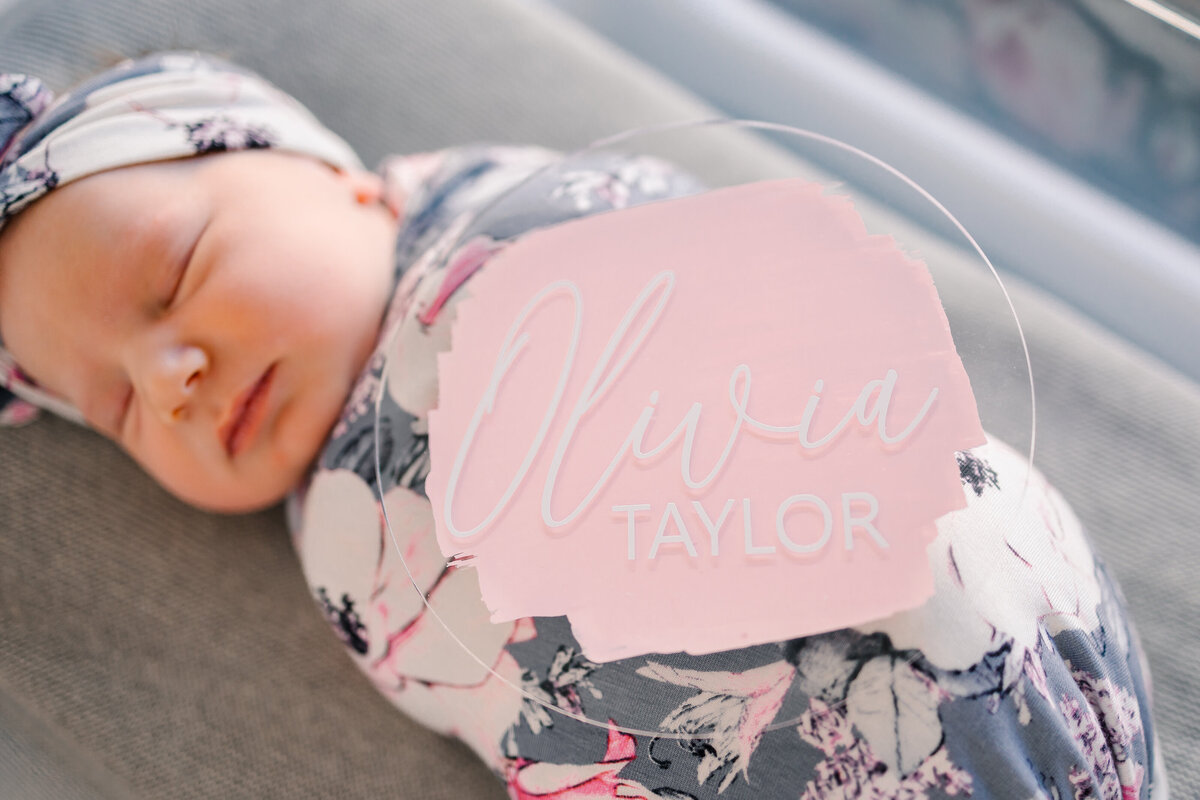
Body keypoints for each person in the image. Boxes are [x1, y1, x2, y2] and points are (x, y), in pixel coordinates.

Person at [0, 52, 1166, 799]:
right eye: (112, 403)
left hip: (961, 635)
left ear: (339, 178)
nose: (169, 381)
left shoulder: (512, 221)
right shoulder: (337, 555)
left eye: (176, 270)